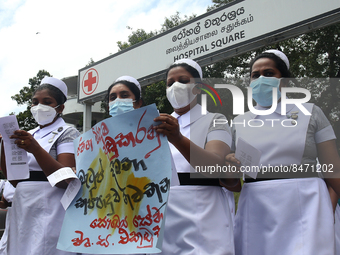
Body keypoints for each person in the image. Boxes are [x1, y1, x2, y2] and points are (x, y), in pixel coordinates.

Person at [225, 49, 340, 255]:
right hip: (256, 210)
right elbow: (233, 183)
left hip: (308, 207)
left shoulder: (311, 113)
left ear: (284, 82)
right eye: (255, 75)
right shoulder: (238, 123)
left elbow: (334, 171)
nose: (261, 79)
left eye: (269, 74)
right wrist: (229, 166)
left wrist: (329, 209)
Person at [153, 59, 235, 255]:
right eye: (170, 83)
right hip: (164, 212)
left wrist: (177, 138)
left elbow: (214, 166)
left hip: (203, 211)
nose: (175, 87)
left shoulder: (215, 120)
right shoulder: (156, 125)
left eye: (183, 80)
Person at [0, 77, 80, 255]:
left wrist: (35, 148)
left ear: (60, 107)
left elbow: (65, 179)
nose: (39, 106)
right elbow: (14, 180)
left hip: (51, 205)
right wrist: (5, 147)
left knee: (45, 247)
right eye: (35, 102)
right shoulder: (27, 134)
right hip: (24, 205)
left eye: (47, 102)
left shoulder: (68, 132)